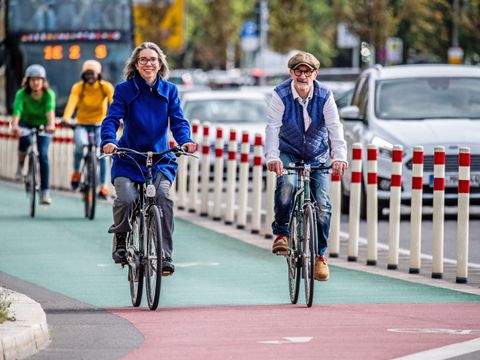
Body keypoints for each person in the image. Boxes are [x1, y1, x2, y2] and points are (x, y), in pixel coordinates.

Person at [101, 42, 196, 274]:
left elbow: (179, 121)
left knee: (163, 197)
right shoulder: (125, 90)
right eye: (143, 59)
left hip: (160, 158)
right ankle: (122, 236)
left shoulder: (170, 91)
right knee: (126, 198)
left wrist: (185, 140)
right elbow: (112, 118)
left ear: (160, 63)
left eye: (153, 59)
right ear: (135, 64)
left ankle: (164, 256)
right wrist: (109, 141)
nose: (148, 64)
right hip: (129, 157)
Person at [265, 51, 348, 281]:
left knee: (322, 204)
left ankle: (320, 257)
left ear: (315, 74)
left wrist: (339, 156)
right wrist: (272, 157)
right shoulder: (280, 94)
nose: (303, 76)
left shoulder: (325, 95)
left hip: (317, 154)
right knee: (287, 185)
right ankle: (281, 233)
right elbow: (272, 127)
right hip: (288, 151)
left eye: (307, 71)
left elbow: (335, 126)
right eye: (298, 71)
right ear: (291, 73)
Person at [62, 59, 114, 198]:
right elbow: (72, 102)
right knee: (79, 145)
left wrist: (118, 118)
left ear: (98, 74)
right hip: (81, 124)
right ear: (83, 75)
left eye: (93, 73)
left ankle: (103, 186)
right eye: (87, 73)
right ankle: (76, 173)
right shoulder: (79, 87)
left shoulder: (105, 87)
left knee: (103, 152)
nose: (90, 76)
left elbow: (114, 103)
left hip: (100, 124)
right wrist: (66, 118)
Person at [12, 64, 56, 205]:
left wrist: (51, 126)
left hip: (44, 125)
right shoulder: (21, 94)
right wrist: (15, 126)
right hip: (26, 122)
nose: (36, 82)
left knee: (43, 155)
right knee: (24, 140)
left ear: (43, 81)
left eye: (39, 79)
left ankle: (45, 192)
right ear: (27, 81)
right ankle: (20, 165)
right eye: (32, 80)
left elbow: (50, 110)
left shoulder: (49, 94)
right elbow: (17, 110)